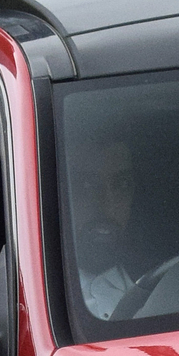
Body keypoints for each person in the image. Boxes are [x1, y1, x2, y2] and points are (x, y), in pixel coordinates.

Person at [68, 132, 139, 320]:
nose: (107, 204)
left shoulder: (171, 297)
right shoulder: (23, 294)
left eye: (121, 184)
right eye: (87, 185)